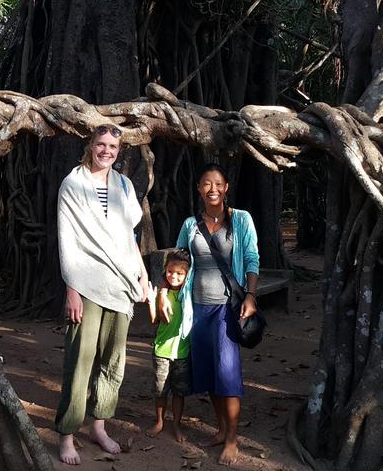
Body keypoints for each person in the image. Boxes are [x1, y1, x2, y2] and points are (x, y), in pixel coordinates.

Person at [55, 124, 150, 466]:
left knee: (113, 362)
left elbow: (128, 239)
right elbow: (68, 240)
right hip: (88, 285)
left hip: (120, 285)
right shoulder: (74, 184)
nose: (107, 150)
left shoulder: (124, 185)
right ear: (90, 146)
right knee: (80, 362)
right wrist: (72, 290)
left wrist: (141, 275)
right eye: (101, 144)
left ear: (119, 150)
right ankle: (67, 434)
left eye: (113, 145)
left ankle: (99, 426)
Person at [162, 163, 260, 466]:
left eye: (218, 183)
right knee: (208, 373)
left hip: (226, 308)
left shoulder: (241, 220)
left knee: (227, 373)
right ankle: (220, 428)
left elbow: (252, 258)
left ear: (226, 187)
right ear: (199, 189)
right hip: (196, 309)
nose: (212, 189)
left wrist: (252, 296)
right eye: (206, 183)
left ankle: (232, 439)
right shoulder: (191, 224)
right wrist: (164, 293)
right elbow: (178, 259)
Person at [146, 248, 193, 443]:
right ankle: (159, 421)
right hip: (161, 351)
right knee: (160, 390)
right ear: (165, 270)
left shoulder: (189, 295)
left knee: (179, 391)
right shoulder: (161, 294)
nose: (174, 276)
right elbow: (155, 320)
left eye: (180, 273)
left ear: (187, 274)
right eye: (170, 272)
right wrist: (151, 300)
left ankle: (176, 424)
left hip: (183, 352)